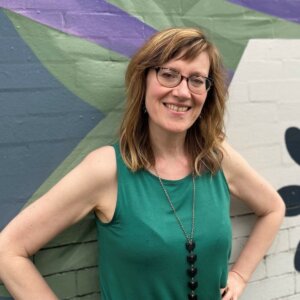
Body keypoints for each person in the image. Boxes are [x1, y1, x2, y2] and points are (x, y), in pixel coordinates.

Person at [0, 27, 285, 300]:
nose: (183, 92)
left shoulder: (217, 159)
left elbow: (273, 207)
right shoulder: (107, 170)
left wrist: (239, 276)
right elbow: (8, 250)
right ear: (144, 80)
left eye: (197, 80)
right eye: (169, 74)